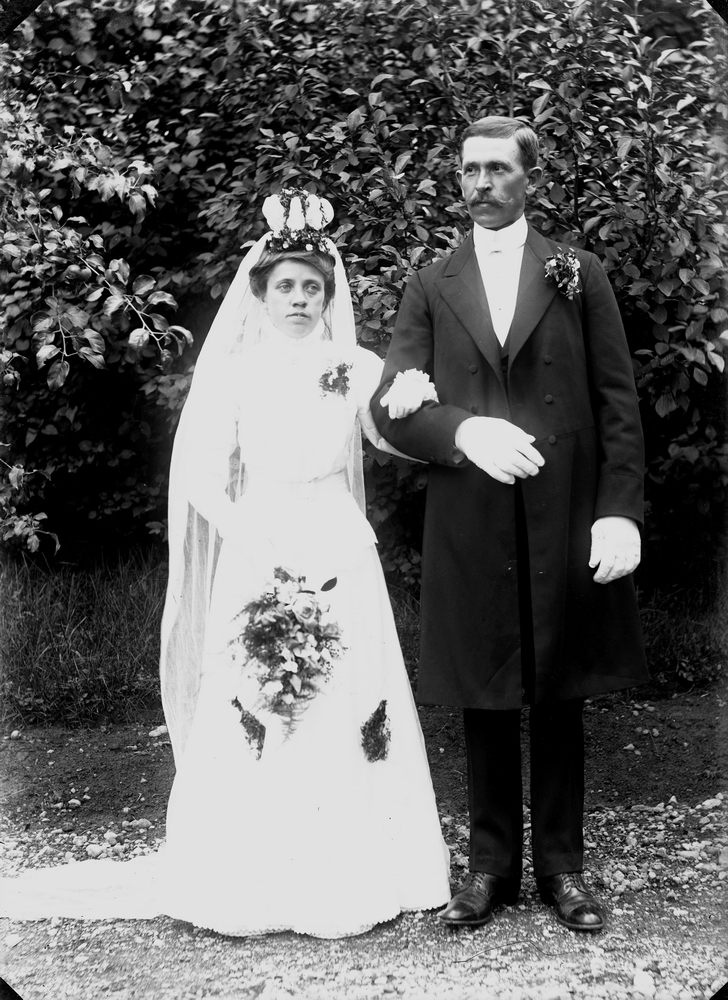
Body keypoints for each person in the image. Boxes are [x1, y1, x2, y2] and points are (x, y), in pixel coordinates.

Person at [0, 190, 450, 937]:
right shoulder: (236, 373)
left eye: (312, 288)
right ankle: (256, 870)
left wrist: (413, 404)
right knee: (260, 692)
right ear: (261, 295)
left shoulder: (356, 364)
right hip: (261, 538)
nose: (299, 300)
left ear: (328, 296)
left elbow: (391, 439)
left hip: (337, 539)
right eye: (286, 287)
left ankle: (364, 863)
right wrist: (254, 536)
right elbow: (203, 478)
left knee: (351, 685)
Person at [372, 117, 648, 933]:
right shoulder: (432, 281)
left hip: (564, 507)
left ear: (529, 178)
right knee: (484, 686)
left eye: (497, 168)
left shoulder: (577, 271)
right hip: (472, 510)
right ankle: (489, 867)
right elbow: (393, 405)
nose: (481, 183)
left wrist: (619, 511)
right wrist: (463, 431)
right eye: (469, 169)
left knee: (559, 684)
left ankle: (562, 867)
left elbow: (617, 401)